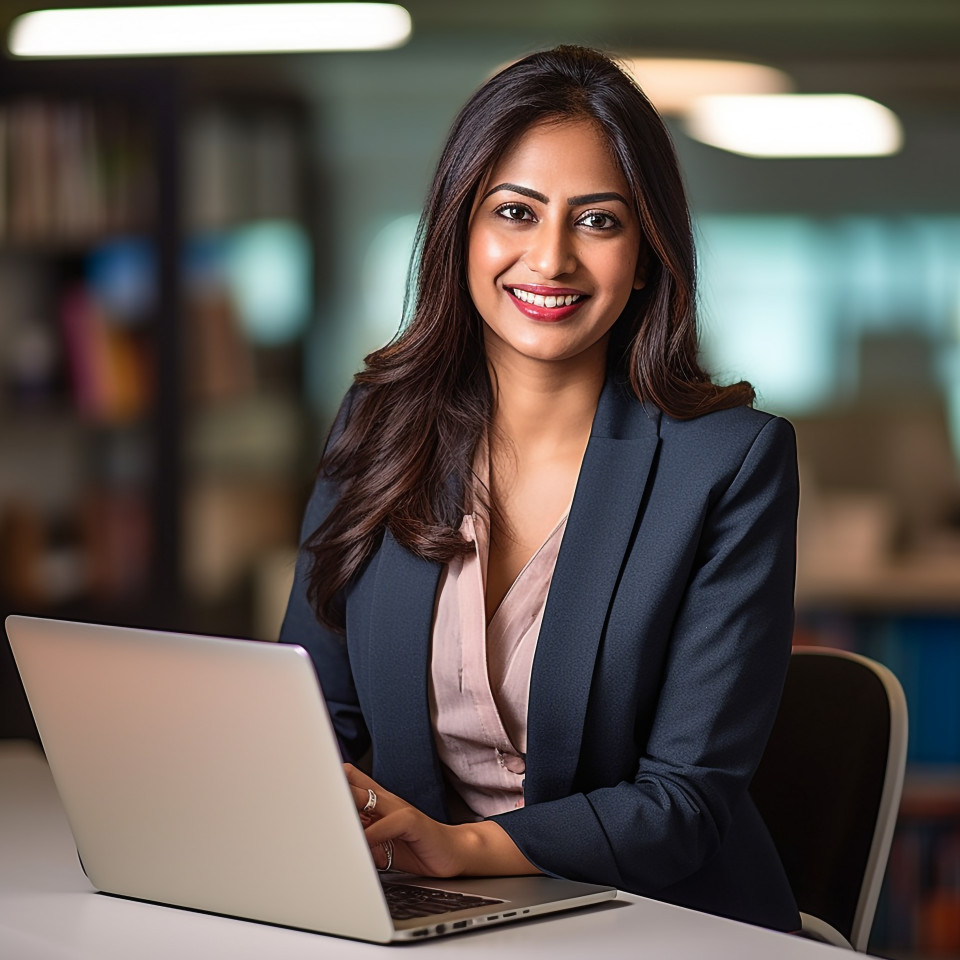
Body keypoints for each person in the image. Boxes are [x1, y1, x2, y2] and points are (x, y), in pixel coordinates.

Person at [280, 45, 800, 932]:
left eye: (597, 221)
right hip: (424, 914)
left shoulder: (728, 465)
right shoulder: (379, 423)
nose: (550, 258)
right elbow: (308, 715)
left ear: (646, 256)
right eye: (515, 212)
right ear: (462, 231)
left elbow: (683, 802)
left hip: (658, 921)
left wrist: (461, 847)